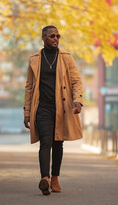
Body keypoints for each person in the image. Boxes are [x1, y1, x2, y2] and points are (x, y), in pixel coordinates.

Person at [24, 25, 83, 195]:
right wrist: (27, 112)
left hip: (62, 107)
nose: (55, 38)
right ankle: (45, 178)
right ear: (43, 38)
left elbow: (76, 81)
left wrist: (78, 100)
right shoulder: (34, 59)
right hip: (42, 108)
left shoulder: (66, 57)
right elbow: (29, 87)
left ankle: (55, 177)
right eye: (52, 36)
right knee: (45, 143)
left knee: (58, 143)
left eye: (58, 36)